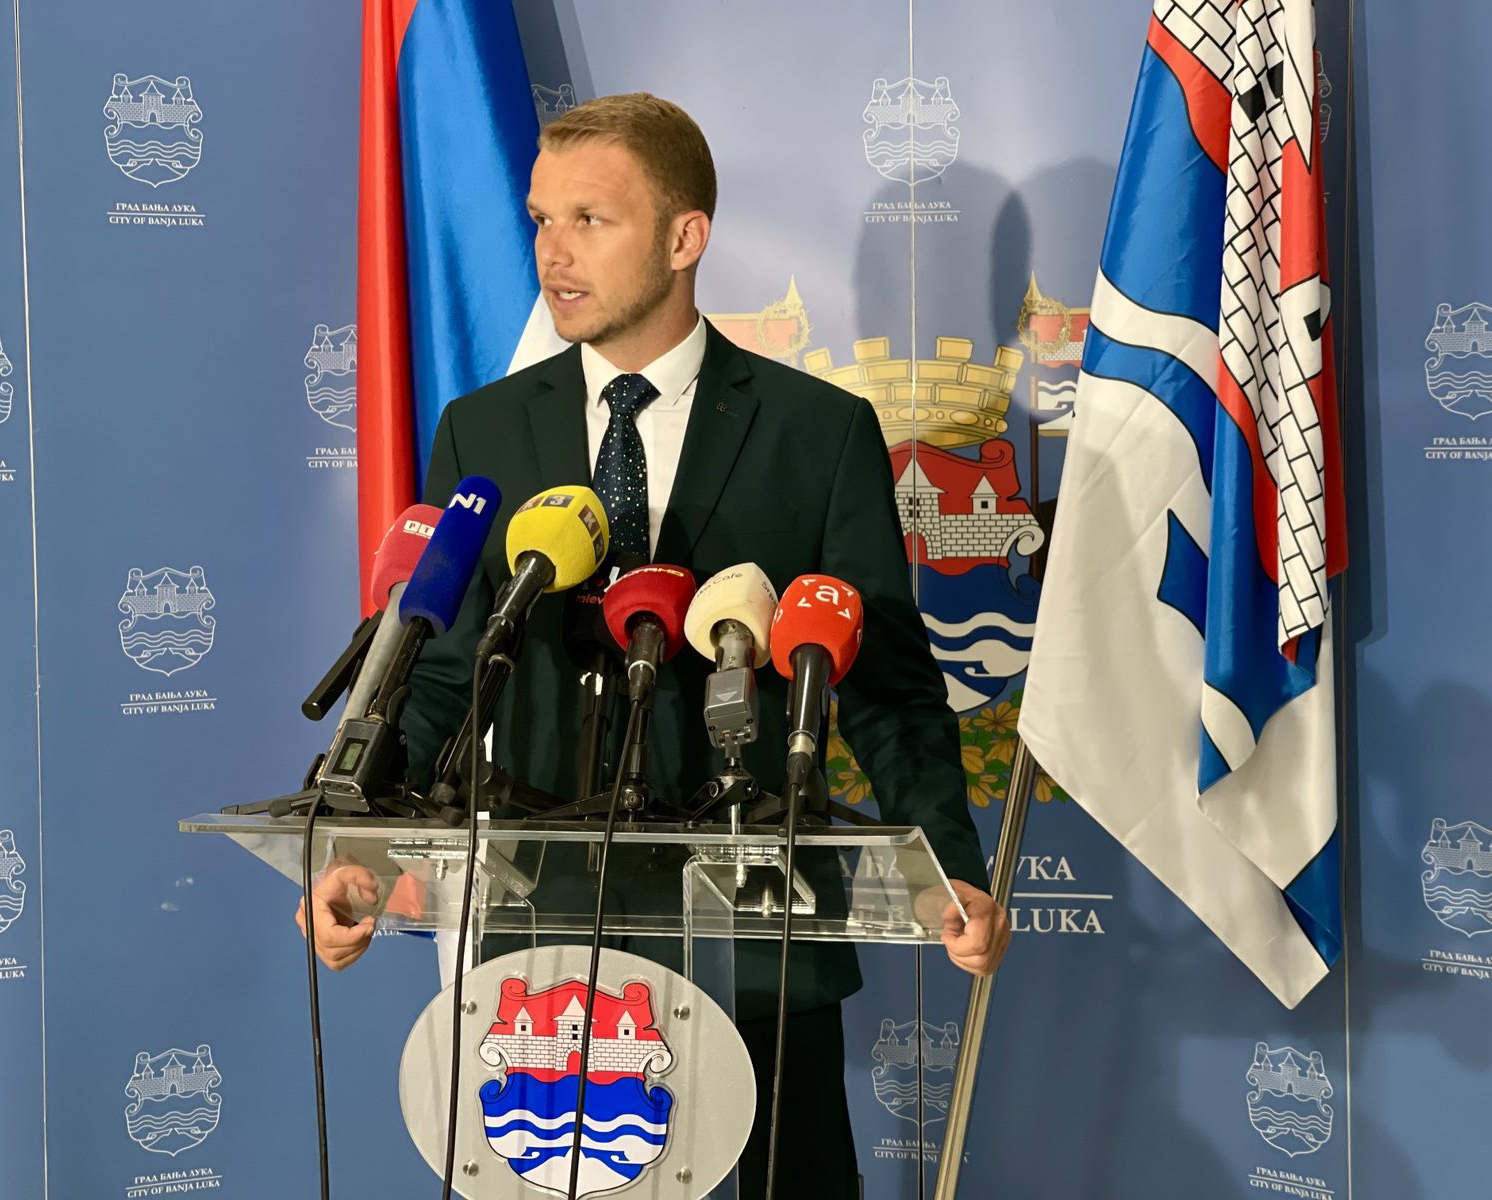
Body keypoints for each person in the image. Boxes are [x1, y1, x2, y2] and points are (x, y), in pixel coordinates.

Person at [297, 92, 1010, 1197]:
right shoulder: (483, 430)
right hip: (542, 951)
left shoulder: (816, 433)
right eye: (543, 220)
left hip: (761, 945)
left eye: (590, 219)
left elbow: (889, 692)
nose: (555, 252)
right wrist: (363, 847)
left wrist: (946, 868)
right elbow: (441, 673)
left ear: (685, 238)